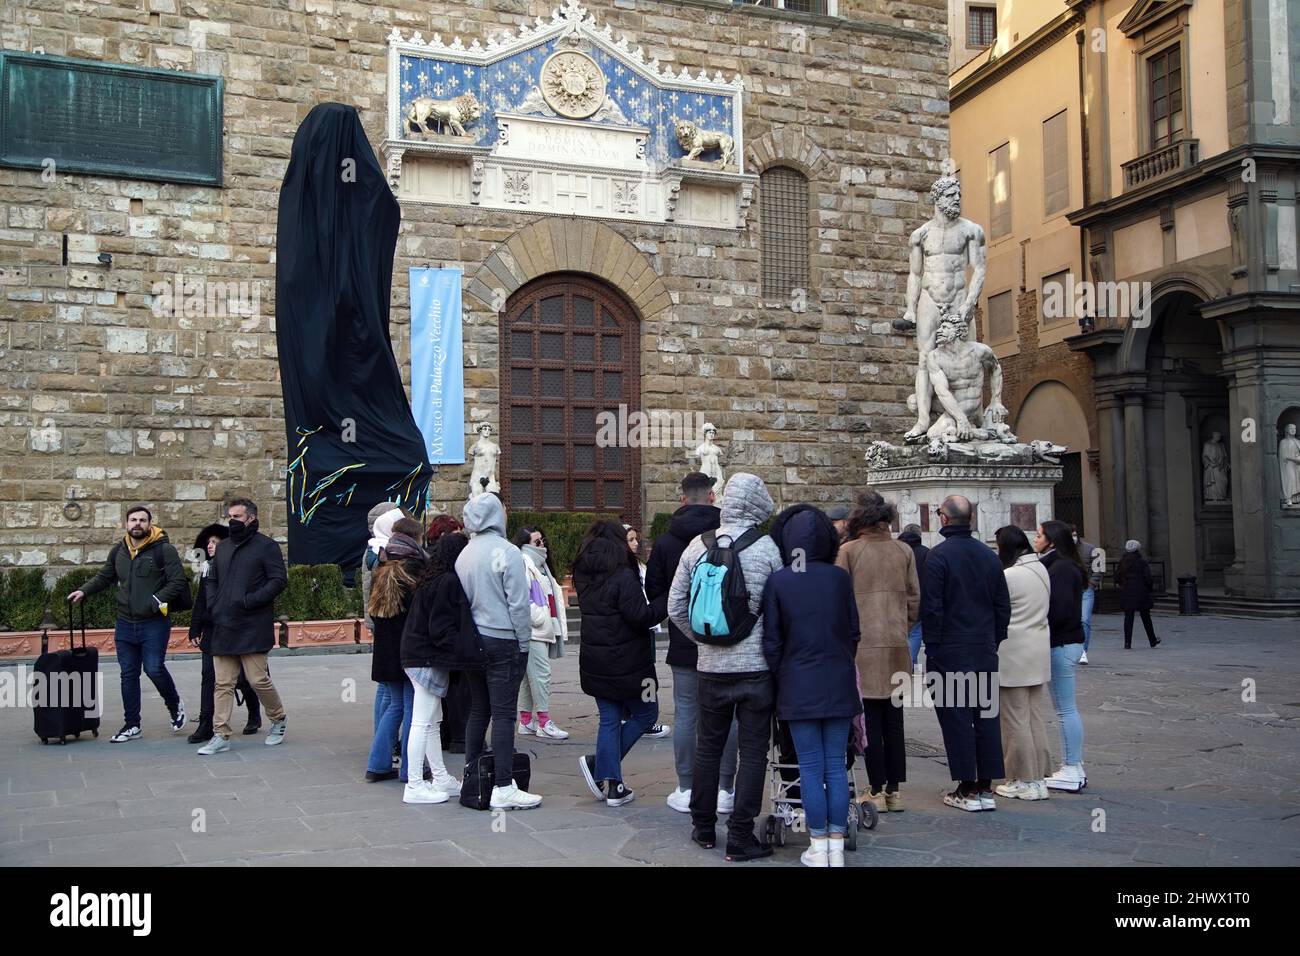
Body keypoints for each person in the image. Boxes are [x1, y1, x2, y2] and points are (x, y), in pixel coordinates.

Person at [668, 472, 783, 862]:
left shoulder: (695, 546)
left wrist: (704, 640)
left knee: (708, 747)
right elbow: (778, 609)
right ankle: (740, 836)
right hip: (755, 670)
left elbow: (674, 607)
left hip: (710, 669)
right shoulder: (767, 548)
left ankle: (703, 828)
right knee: (752, 753)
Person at [764, 505, 861, 867]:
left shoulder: (780, 580)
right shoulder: (839, 579)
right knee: (835, 765)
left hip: (796, 684)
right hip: (837, 681)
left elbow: (772, 641)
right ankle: (835, 844)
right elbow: (854, 632)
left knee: (809, 766)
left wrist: (782, 673)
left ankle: (817, 844)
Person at [645, 473, 740, 814]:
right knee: (728, 716)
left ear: (682, 498)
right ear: (713, 496)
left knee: (686, 716)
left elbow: (655, 589)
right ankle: (725, 789)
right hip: (726, 641)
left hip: (684, 641)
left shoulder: (667, 542)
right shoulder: (728, 537)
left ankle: (686, 788)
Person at [69, 505, 189, 743]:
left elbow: (178, 582)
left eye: (142, 520)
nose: (137, 524)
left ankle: (175, 705)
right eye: (133, 520)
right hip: (125, 623)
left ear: (150, 524)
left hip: (154, 622)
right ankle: (132, 725)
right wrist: (83, 591)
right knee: (128, 674)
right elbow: (105, 576)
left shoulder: (164, 550)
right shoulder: (119, 551)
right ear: (126, 524)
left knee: (154, 668)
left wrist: (155, 601)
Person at [922, 495, 1009, 811]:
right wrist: (995, 639)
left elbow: (932, 608)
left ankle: (967, 787)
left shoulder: (938, 557)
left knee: (957, 717)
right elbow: (1002, 605)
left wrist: (932, 648)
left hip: (950, 648)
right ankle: (986, 786)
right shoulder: (989, 557)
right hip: (983, 647)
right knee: (985, 715)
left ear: (944, 518)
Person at [455, 493, 542, 809]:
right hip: (503, 640)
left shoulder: (465, 554)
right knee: (504, 713)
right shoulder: (507, 552)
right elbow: (519, 605)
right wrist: (523, 643)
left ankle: (472, 775)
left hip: (473, 642)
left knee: (479, 709)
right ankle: (504, 785)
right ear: (495, 515)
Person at [574, 521, 669, 807]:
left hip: (595, 661)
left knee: (610, 719)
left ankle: (612, 783)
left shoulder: (583, 574)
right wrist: (666, 600)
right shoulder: (623, 575)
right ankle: (602, 770)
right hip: (632, 665)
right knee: (648, 713)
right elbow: (641, 616)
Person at [836, 491, 918, 813]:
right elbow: (914, 599)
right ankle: (895, 790)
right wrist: (902, 629)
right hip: (897, 645)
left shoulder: (849, 552)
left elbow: (839, 599)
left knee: (867, 722)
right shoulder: (904, 551)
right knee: (894, 720)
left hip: (862, 648)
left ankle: (875, 787)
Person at [197, 499, 289, 755]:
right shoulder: (224, 547)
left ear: (251, 518)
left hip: (252, 624)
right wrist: (215, 603)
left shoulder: (266, 546)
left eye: (237, 516)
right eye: (230, 516)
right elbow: (212, 577)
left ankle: (278, 719)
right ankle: (220, 733)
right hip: (224, 625)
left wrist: (249, 601)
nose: (232, 520)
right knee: (222, 683)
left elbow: (278, 580)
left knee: (257, 679)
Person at [400, 531, 476, 804]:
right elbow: (442, 628)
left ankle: (440, 777)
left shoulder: (431, 578)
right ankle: (415, 784)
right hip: (427, 658)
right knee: (423, 721)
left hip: (417, 655)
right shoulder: (448, 582)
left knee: (431, 720)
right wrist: (464, 652)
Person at [365, 517, 426, 783]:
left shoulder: (381, 564)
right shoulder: (414, 567)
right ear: (416, 538)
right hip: (408, 649)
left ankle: (377, 765)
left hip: (385, 649)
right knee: (412, 706)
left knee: (395, 706)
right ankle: (410, 770)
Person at [187, 523, 260, 744]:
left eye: (215, 542)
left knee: (246, 678)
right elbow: (200, 601)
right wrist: (195, 628)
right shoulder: (207, 569)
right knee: (208, 676)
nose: (210, 546)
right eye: (208, 542)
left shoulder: (240, 568)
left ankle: (254, 713)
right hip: (212, 631)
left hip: (237, 628)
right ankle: (205, 723)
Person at [994, 526, 1052, 801]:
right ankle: (1039, 777)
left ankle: (1024, 779)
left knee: (1015, 720)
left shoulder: (1009, 576)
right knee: (1034, 717)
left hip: (1014, 653)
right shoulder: (1041, 569)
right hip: (1038, 650)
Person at [1034, 519, 1089, 792]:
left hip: (1062, 643)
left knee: (1065, 710)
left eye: (1041, 534)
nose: (1036, 537)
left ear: (1053, 540)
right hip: (1065, 642)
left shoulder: (1062, 568)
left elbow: (1061, 610)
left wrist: (1041, 625)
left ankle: (1071, 767)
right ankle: (1075, 767)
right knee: (1066, 708)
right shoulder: (1060, 565)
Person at [513, 526, 569, 740]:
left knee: (529, 679)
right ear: (525, 544)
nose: (542, 545)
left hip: (540, 628)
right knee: (542, 675)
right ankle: (544, 722)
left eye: (542, 540)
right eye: (537, 542)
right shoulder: (524, 563)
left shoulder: (539, 564)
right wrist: (537, 618)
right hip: (534, 629)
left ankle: (526, 721)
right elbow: (523, 598)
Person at [425, 514, 469, 753]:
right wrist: (460, 645)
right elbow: (442, 620)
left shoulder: (433, 572)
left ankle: (450, 736)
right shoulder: (449, 580)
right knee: (454, 695)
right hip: (446, 648)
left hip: (434, 648)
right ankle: (459, 738)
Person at [363, 502, 402, 762]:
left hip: (379, 622)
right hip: (387, 624)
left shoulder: (374, 549)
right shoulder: (381, 552)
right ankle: (384, 743)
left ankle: (382, 740)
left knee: (385, 687)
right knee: (390, 690)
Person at [624, 522, 670, 739]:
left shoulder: (640, 566)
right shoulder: (621, 569)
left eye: (635, 539)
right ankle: (632, 715)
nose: (635, 544)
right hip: (632, 628)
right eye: (630, 540)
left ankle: (648, 717)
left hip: (647, 625)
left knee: (648, 672)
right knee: (637, 674)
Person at [1116, 540, 1160, 650]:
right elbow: (1148, 578)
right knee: (1146, 617)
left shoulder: (1122, 562)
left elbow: (1117, 577)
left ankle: (1127, 643)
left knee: (1128, 618)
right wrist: (1149, 589)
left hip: (1127, 592)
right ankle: (1152, 640)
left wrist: (1123, 585)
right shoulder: (1142, 562)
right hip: (1141, 592)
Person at [897, 523, 930, 668]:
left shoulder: (896, 551)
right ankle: (910, 662)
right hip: (919, 599)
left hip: (897, 599)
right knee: (915, 632)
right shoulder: (927, 553)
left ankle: (907, 663)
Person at [1073, 526, 1101, 664]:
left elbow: (1098, 568)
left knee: (1085, 619)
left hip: (1085, 589)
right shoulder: (1061, 551)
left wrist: (1092, 583)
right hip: (1069, 589)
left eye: (1074, 534)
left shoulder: (1090, 549)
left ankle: (1083, 650)